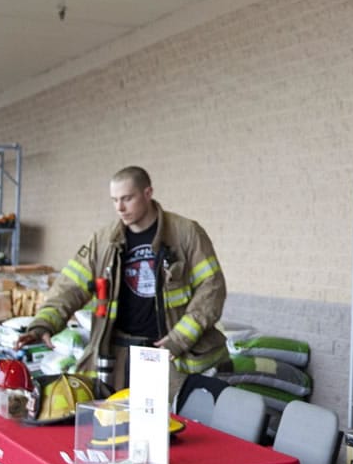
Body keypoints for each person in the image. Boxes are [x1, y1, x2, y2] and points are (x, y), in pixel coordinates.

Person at [18, 166, 227, 399]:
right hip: (119, 355)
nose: (120, 208)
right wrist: (44, 323)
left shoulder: (186, 233)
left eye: (127, 198)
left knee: (167, 426)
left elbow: (212, 289)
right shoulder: (104, 241)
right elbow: (71, 285)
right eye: (115, 200)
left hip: (167, 354)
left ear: (148, 193)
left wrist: (180, 338)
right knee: (114, 424)